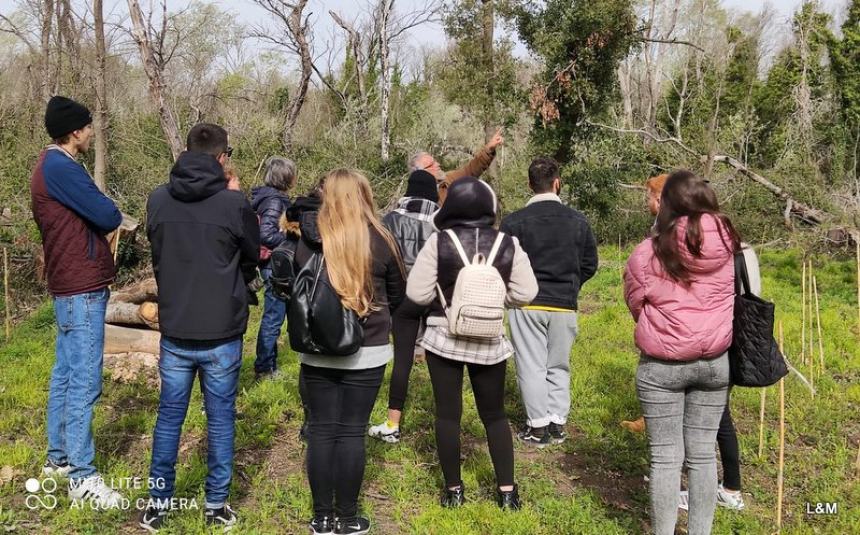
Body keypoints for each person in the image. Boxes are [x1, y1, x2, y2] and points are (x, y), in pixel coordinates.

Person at [140, 123, 259, 532]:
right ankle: (216, 505)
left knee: (169, 418)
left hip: (175, 325)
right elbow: (252, 255)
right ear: (223, 157)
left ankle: (157, 504)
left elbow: (158, 253)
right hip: (221, 330)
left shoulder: (157, 199)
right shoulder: (234, 205)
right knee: (221, 418)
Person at [406, 177, 538, 509]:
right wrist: (494, 300)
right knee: (494, 416)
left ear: (451, 206)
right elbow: (527, 293)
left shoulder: (439, 242)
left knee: (448, 415)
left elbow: (417, 293)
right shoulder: (509, 243)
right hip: (490, 339)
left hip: (442, 336)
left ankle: (454, 492)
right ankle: (507, 493)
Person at [624, 173, 753, 512]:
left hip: (663, 363)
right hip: (714, 360)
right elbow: (735, 297)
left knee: (665, 459)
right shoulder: (732, 247)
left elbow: (635, 302)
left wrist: (662, 327)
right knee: (702, 456)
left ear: (666, 205)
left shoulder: (648, 250)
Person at [296, 169, 405, 535]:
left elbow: (296, 290)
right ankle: (346, 517)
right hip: (368, 348)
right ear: (364, 196)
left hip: (317, 348)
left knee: (322, 430)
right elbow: (399, 295)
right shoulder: (381, 239)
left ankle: (321, 517)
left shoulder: (310, 239)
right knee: (351, 432)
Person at [30, 96, 124, 508]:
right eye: (87, 127)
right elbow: (108, 215)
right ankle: (83, 478)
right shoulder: (61, 168)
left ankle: (59, 459)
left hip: (70, 285)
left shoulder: (50, 167)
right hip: (81, 286)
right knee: (84, 379)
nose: (91, 132)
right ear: (74, 132)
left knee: (66, 374)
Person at [500, 157, 598, 446]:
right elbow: (590, 263)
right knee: (559, 364)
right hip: (564, 304)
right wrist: (571, 285)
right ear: (557, 183)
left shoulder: (513, 222)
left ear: (530, 185)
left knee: (530, 365)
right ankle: (557, 423)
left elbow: (501, 262)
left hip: (526, 303)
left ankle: (538, 427)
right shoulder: (578, 221)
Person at [368, 169, 439, 443]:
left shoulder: (390, 220)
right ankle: (444, 420)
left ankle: (393, 423)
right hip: (433, 296)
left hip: (402, 298)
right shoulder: (440, 222)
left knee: (402, 360)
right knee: (439, 359)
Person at [251, 157, 296, 380]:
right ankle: (264, 368)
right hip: (274, 266)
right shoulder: (274, 201)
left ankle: (269, 364)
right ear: (286, 177)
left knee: (274, 316)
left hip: (272, 264)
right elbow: (266, 235)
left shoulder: (267, 197)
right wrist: (292, 237)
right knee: (273, 317)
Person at [408, 128, 504, 204]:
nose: (438, 164)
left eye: (435, 161)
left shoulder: (449, 179)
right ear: (421, 173)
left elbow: (471, 170)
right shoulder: (413, 199)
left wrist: (489, 148)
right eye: (431, 164)